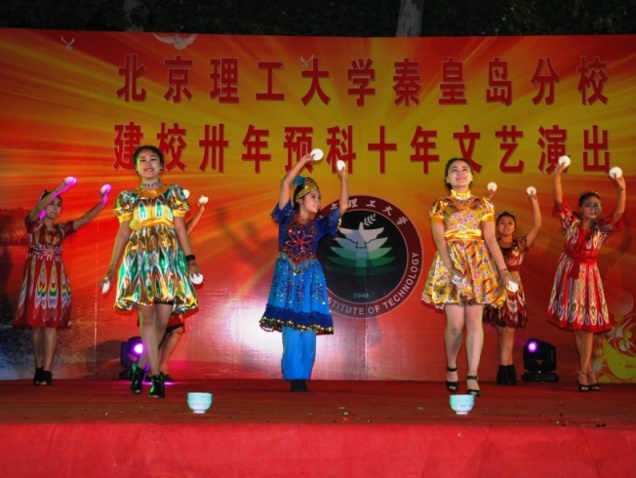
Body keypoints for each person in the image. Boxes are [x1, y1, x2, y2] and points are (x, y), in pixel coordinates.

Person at [100, 145, 200, 398]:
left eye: (153, 159)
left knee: (163, 323)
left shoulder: (173, 193)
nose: (148, 163)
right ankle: (155, 376)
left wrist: (191, 260)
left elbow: (180, 228)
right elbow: (123, 232)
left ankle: (138, 367)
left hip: (168, 259)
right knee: (147, 320)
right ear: (136, 167)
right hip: (140, 260)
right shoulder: (128, 197)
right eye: (142, 160)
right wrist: (112, 268)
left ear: (161, 165)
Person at [422, 157, 512, 397]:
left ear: (471, 177)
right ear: (447, 178)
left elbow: (490, 239)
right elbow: (439, 239)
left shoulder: (484, 205)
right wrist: (451, 268)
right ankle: (452, 366)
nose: (460, 173)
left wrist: (503, 270)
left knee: (474, 322)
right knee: (455, 325)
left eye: (465, 169)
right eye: (454, 170)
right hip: (450, 261)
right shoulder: (440, 205)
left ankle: (472, 374)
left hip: (477, 264)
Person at [259, 152, 348, 392]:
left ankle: (302, 376)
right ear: (300, 199)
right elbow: (285, 184)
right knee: (290, 326)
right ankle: (293, 375)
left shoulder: (320, 224)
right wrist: (303, 161)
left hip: (310, 277)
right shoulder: (286, 217)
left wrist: (343, 178)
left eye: (319, 197)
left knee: (308, 327)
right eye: (313, 196)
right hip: (287, 275)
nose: (318, 201)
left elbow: (343, 206)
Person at [13, 179, 109, 385]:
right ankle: (39, 366)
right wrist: (59, 189)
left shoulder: (61, 230)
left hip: (56, 282)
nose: (55, 208)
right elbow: (37, 208)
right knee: (36, 328)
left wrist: (102, 202)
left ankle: (47, 370)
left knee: (50, 326)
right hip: (35, 281)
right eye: (52, 203)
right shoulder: (33, 224)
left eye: (59, 205)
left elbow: (85, 219)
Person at [547, 162, 625, 392]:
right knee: (577, 325)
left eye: (596, 205)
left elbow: (619, 213)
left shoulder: (601, 229)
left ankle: (584, 371)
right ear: (580, 208)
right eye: (588, 205)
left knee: (587, 326)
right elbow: (559, 200)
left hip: (589, 276)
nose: (593, 208)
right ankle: (587, 370)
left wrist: (621, 188)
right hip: (570, 274)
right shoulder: (570, 223)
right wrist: (557, 174)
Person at [139, 197, 207, 384]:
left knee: (175, 329)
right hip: (153, 285)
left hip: (171, 286)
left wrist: (200, 211)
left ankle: (158, 367)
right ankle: (148, 369)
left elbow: (186, 228)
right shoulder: (148, 230)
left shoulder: (175, 232)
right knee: (156, 329)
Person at [483, 190, 542, 385]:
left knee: (509, 330)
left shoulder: (520, 244)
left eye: (510, 223)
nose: (506, 226)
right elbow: (476, 225)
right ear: (496, 226)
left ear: (514, 227)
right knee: (502, 331)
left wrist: (534, 201)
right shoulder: (490, 243)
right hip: (496, 288)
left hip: (513, 290)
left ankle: (504, 370)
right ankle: (507, 368)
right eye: (502, 223)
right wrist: (488, 200)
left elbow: (537, 226)